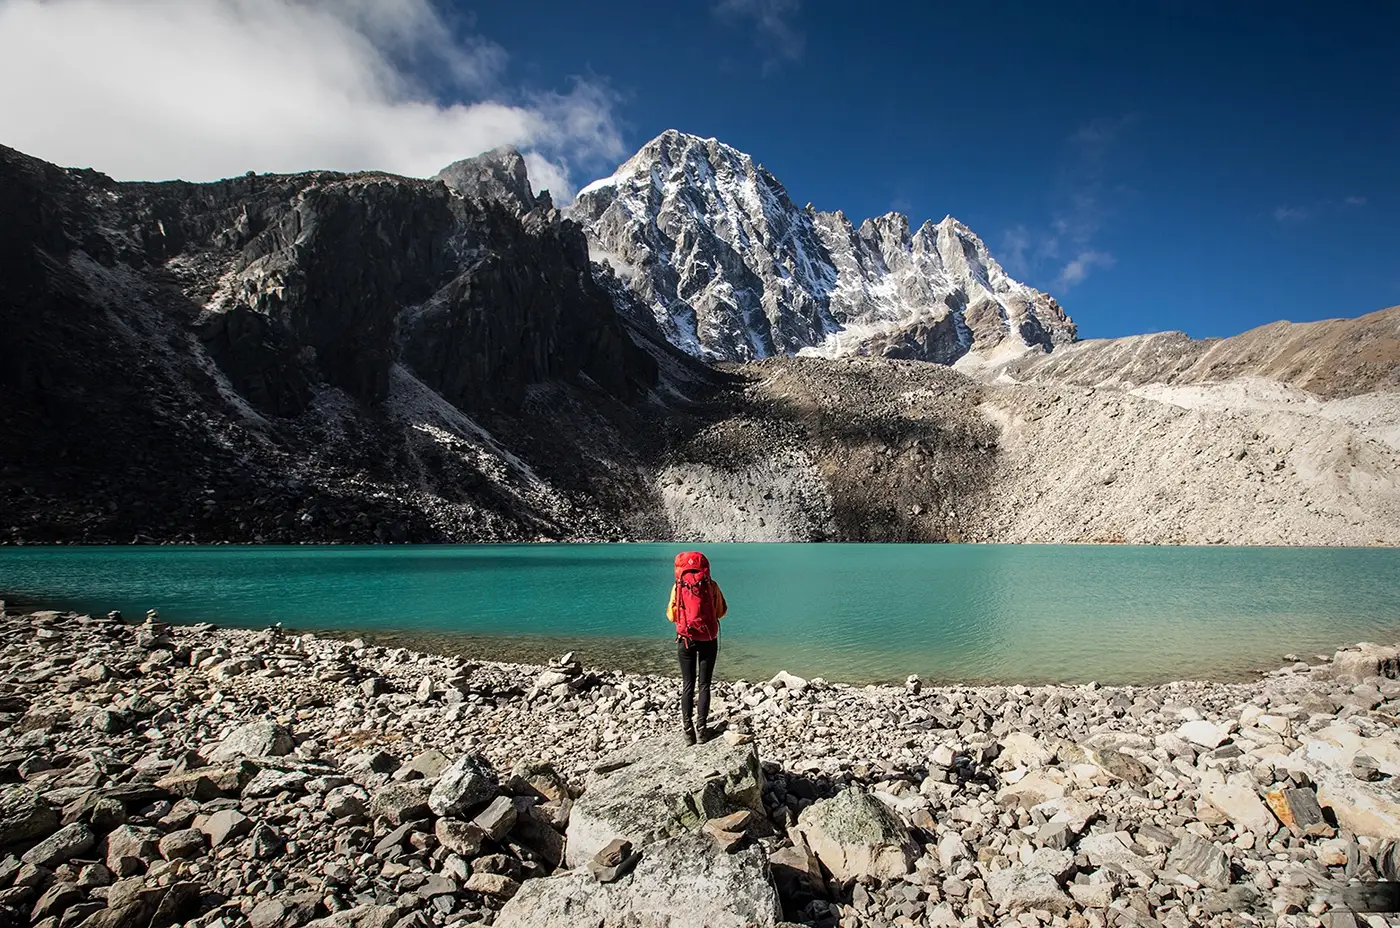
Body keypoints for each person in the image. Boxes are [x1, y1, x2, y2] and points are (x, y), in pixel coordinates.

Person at [667, 550, 727, 745]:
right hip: (708, 637)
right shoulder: (712, 585)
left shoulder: (677, 587)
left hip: (686, 639)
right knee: (704, 685)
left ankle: (687, 732)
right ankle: (702, 730)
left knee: (688, 684)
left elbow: (671, 616)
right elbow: (721, 611)